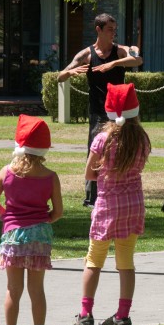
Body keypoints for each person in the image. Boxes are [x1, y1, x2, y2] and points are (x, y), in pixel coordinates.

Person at [72, 82, 151, 325]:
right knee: (126, 263)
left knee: (94, 260)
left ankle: (85, 315)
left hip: (107, 207)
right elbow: (139, 168)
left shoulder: (102, 140)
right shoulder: (142, 139)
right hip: (133, 206)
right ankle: (122, 317)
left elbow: (90, 174)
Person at [0, 114, 63, 325]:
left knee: (13, 289)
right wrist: (45, 219)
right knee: (36, 289)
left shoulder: (6, 172)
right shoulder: (50, 177)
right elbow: (58, 212)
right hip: (39, 235)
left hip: (13, 235)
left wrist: (5, 216)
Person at [57, 13, 143, 208]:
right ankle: (92, 198)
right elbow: (60, 77)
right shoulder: (86, 55)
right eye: (110, 29)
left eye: (115, 29)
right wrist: (69, 72)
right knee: (95, 152)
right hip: (97, 112)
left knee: (123, 150)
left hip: (120, 111)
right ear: (99, 29)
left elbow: (137, 61)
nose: (114, 33)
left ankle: (120, 191)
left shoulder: (120, 51)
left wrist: (114, 63)